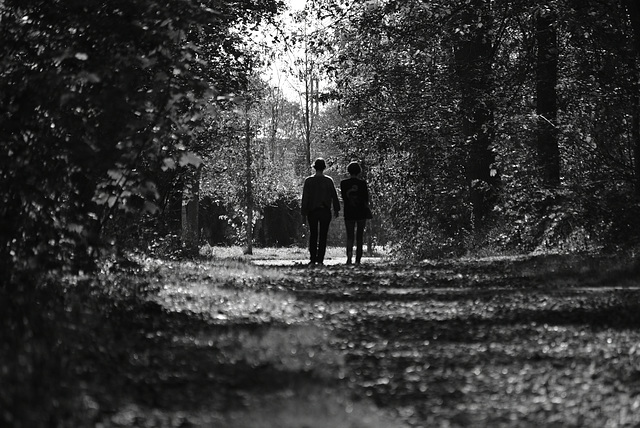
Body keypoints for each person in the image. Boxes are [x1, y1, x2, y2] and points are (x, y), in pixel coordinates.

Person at [301, 158, 340, 265]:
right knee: (323, 234)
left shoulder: (308, 181)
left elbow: (305, 198)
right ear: (324, 167)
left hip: (312, 212)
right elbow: (334, 196)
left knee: (313, 234)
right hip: (325, 211)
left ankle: (313, 258)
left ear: (314, 167)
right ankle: (320, 258)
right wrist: (336, 209)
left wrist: (303, 213)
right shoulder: (328, 181)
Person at [340, 161, 370, 265]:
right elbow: (366, 199)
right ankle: (358, 259)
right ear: (359, 171)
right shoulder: (362, 184)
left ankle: (348, 257)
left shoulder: (343, 183)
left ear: (348, 171)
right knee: (360, 236)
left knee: (350, 236)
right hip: (361, 212)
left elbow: (344, 197)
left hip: (349, 212)